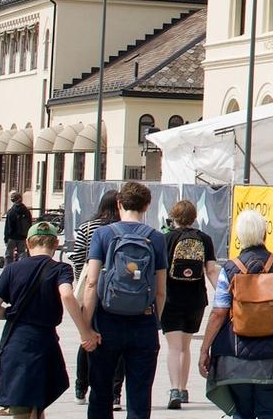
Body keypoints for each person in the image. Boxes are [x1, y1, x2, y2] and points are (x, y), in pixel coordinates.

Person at [199, 208, 273, 419]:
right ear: (264, 234)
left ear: (239, 237)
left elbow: (219, 313)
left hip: (236, 358)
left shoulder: (230, 269)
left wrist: (204, 350)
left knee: (242, 413)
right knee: (272, 413)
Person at [79, 180, 168, 419]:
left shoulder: (103, 234)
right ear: (147, 206)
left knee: (101, 391)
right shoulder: (156, 238)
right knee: (140, 394)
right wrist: (155, 321)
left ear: (119, 203)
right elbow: (161, 290)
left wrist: (87, 326)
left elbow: (90, 282)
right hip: (143, 321)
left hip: (107, 321)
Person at [0, 219, 93, 419]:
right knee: (37, 405)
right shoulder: (61, 269)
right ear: (55, 244)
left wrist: (12, 313)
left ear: (28, 243)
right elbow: (67, 295)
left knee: (23, 408)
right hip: (45, 342)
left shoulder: (12, 269)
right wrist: (84, 331)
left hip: (16, 342)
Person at [163, 199, 217, 410]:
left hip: (171, 297)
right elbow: (211, 270)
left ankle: (175, 388)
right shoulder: (204, 239)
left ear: (173, 217)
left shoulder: (165, 239)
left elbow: (160, 271)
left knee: (174, 347)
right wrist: (222, 293)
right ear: (194, 218)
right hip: (196, 299)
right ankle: (184, 389)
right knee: (185, 346)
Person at [71, 190, 124, 406]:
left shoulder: (87, 227)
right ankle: (114, 393)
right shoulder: (123, 229)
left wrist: (79, 283)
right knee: (119, 345)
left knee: (87, 337)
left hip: (91, 286)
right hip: (118, 289)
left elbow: (78, 258)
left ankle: (81, 386)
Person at [3, 192, 33, 268]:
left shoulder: (11, 212)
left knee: (9, 254)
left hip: (12, 236)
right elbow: (29, 224)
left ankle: (8, 268)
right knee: (22, 253)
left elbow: (8, 226)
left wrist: (6, 238)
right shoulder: (26, 211)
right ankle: (22, 268)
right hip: (23, 236)